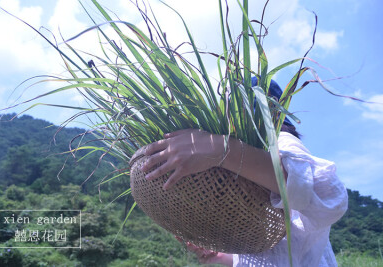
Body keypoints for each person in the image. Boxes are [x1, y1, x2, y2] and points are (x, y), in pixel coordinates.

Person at [140, 78, 348, 267]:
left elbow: (327, 195)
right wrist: (219, 255)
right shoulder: (241, 177)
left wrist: (218, 148)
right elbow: (270, 254)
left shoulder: (279, 140)